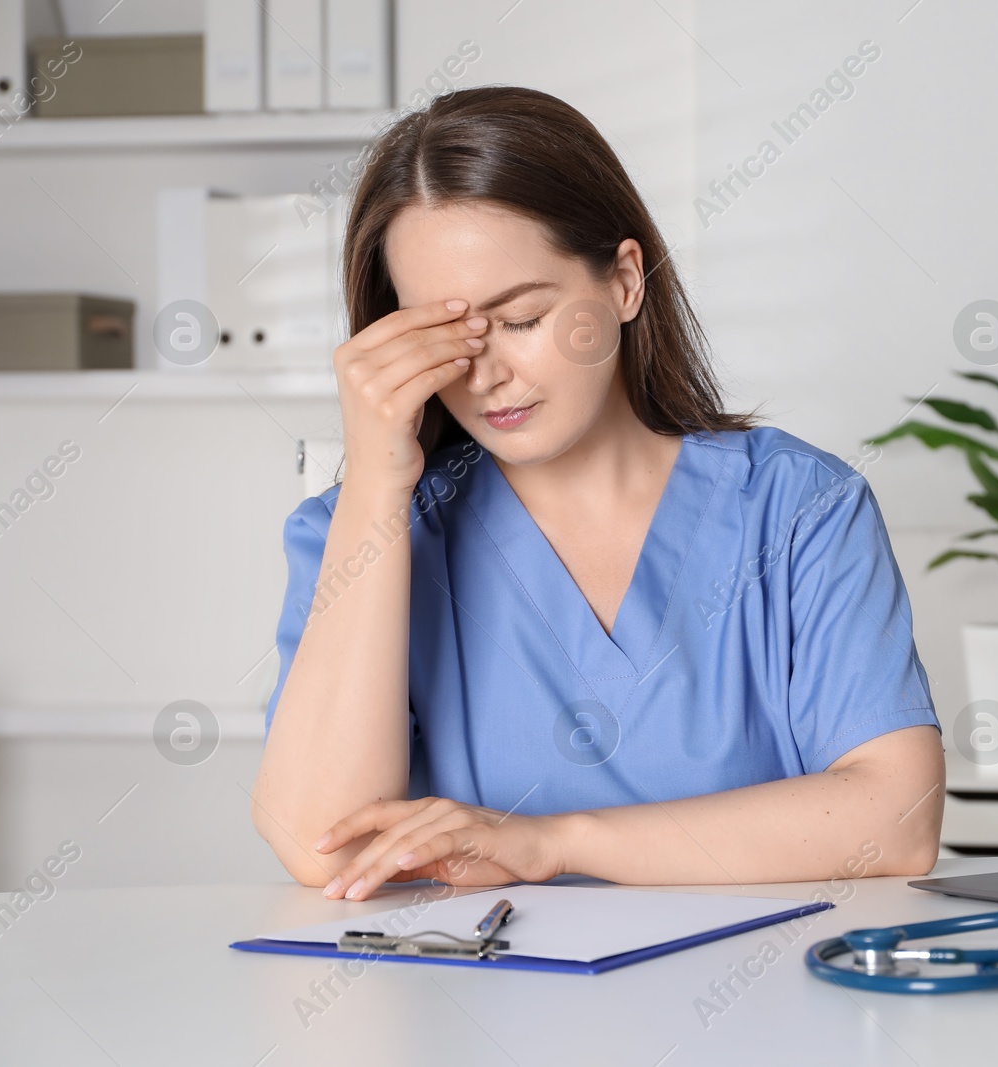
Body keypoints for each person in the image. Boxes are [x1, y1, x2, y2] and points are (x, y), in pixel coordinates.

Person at [251, 87, 944, 903]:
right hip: (469, 1017)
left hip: (762, 1014)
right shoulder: (359, 535)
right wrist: (375, 483)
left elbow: (899, 818)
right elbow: (327, 847)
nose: (487, 374)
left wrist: (551, 842)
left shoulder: (800, 510)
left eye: (521, 319)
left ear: (622, 281)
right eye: (441, 338)